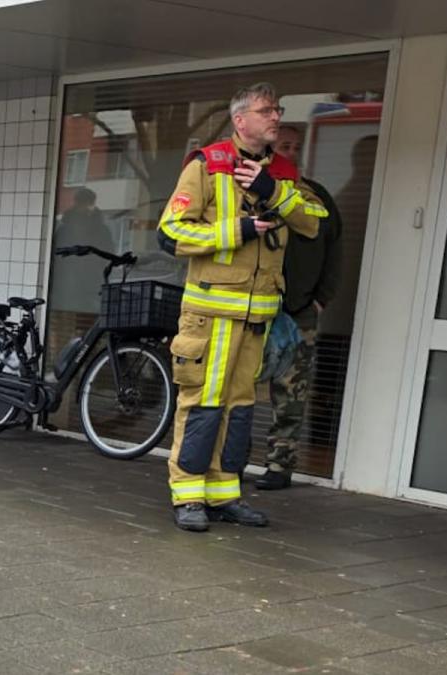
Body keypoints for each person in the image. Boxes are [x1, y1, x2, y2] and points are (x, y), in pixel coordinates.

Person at [157, 82, 325, 533]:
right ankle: (188, 495)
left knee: (240, 407)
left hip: (257, 318)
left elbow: (312, 224)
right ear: (240, 120)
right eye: (267, 110)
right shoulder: (207, 165)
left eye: (278, 108)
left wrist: (274, 191)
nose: (276, 117)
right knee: (203, 403)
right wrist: (239, 230)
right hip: (210, 314)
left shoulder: (284, 173)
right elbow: (171, 233)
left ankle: (224, 494)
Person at [257, 124, 344, 490]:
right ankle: (226, 459)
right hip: (256, 304)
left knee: (291, 390)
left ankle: (280, 464)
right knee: (239, 385)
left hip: (301, 307)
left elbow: (334, 249)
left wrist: (322, 298)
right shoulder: (254, 191)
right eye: (283, 146)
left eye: (295, 146)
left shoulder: (317, 196)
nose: (290, 152)